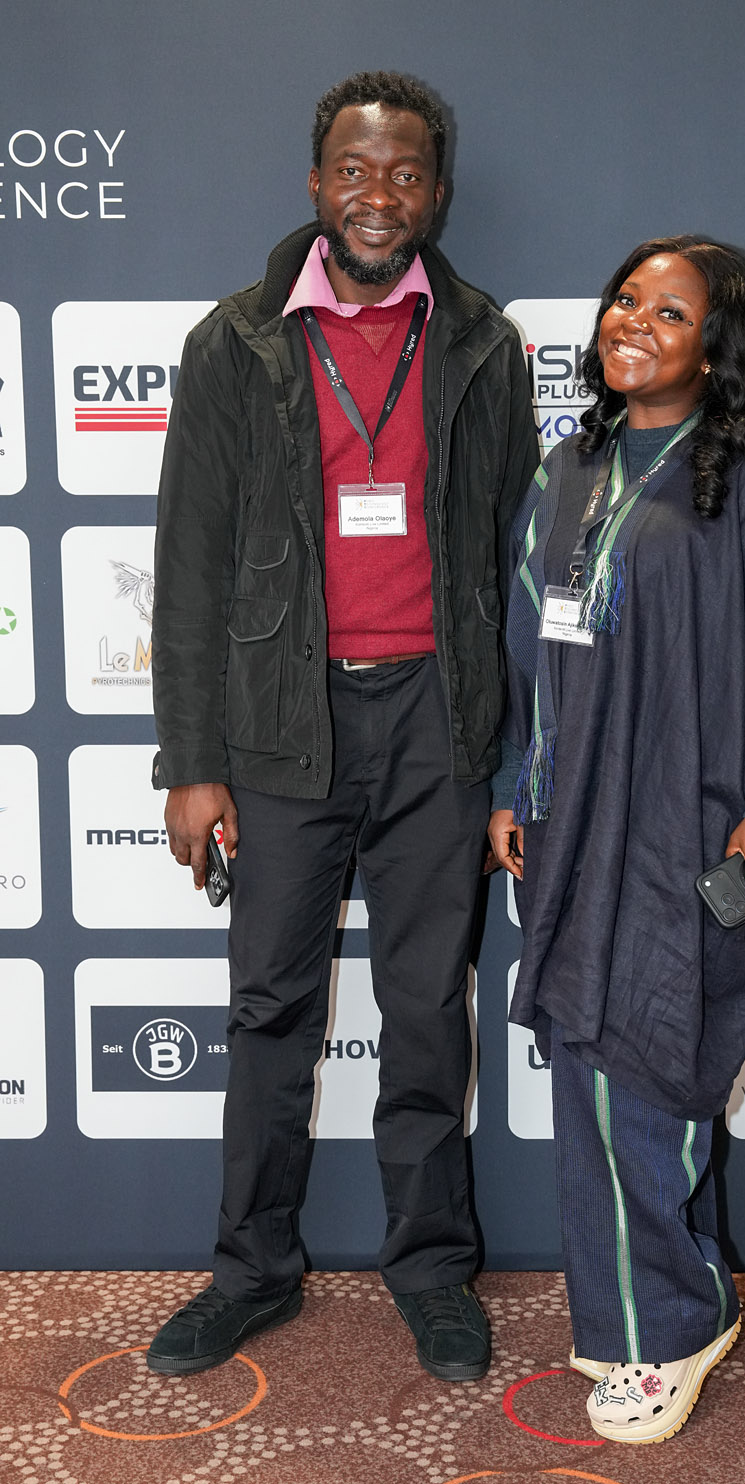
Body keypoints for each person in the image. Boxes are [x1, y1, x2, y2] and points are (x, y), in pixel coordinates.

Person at [147, 70, 538, 1383]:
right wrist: (192, 761)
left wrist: (511, 758)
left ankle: (430, 1269)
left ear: (437, 193)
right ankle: (251, 1269)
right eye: (356, 171)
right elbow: (190, 565)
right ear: (317, 184)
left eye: (405, 173)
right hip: (281, 721)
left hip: (437, 718)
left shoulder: (481, 342)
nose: (381, 195)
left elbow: (510, 558)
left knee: (427, 1006)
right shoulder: (236, 342)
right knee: (271, 1009)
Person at [489, 237, 745, 1442]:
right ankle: (677, 1298)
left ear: (715, 348)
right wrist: (512, 783)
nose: (635, 323)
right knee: (595, 1070)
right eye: (626, 301)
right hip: (568, 822)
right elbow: (525, 644)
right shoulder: (570, 465)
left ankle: (658, 1334)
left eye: (669, 313)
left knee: (647, 1065)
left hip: (688, 823)